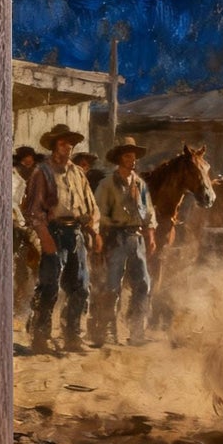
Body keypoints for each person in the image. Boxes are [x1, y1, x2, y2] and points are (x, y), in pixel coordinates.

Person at [24, 124, 100, 353]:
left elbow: (91, 206)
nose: (68, 147)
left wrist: (95, 231)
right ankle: (40, 337)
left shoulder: (77, 173)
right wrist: (44, 236)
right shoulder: (42, 172)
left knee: (81, 287)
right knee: (49, 286)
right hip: (54, 233)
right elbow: (34, 210)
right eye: (63, 143)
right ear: (55, 145)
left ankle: (72, 336)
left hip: (76, 234)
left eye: (71, 143)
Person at [92, 137, 158, 344]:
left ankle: (137, 331)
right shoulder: (107, 184)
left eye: (135, 156)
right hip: (116, 238)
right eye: (129, 156)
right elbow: (98, 213)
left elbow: (148, 212)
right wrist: (100, 236)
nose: (133, 160)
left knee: (143, 285)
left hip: (136, 239)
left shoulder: (140, 184)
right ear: (120, 158)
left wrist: (151, 235)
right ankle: (107, 330)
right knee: (112, 286)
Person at [12, 147, 40, 309]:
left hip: (31, 225)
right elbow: (13, 205)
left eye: (31, 162)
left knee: (37, 259)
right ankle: (17, 300)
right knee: (18, 262)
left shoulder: (35, 178)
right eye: (25, 162)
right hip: (15, 226)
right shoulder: (13, 178)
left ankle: (33, 299)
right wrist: (23, 223)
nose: (28, 166)